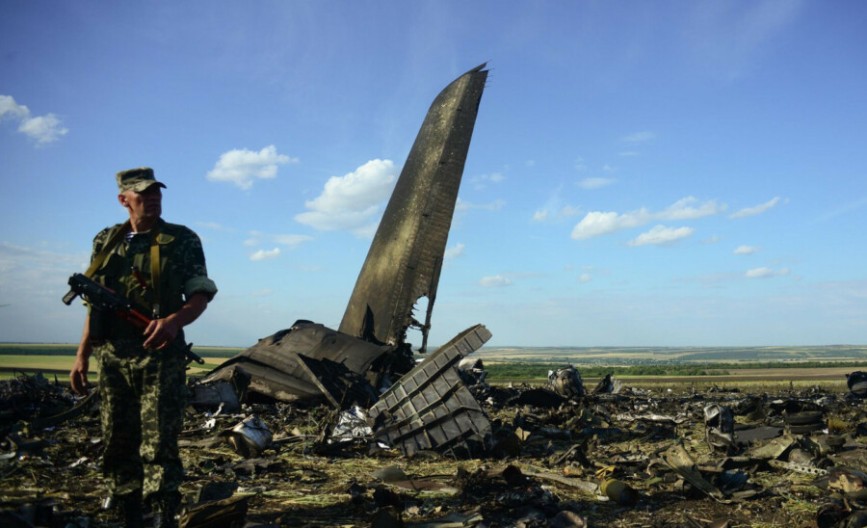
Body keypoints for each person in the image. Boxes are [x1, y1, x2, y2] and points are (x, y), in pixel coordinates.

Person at [69, 167, 217, 528]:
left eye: (156, 192)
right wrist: (82, 353)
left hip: (159, 353)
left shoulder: (182, 239)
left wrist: (173, 322)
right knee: (116, 436)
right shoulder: (105, 241)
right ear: (124, 199)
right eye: (142, 193)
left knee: (158, 439)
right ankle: (124, 507)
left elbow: (200, 295)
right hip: (112, 356)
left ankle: (163, 508)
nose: (152, 198)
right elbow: (94, 303)